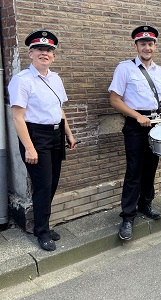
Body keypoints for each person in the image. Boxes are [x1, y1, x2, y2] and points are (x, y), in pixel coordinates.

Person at [109, 26, 161, 241]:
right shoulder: (125, 69)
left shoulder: (159, 72)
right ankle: (127, 216)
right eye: (143, 44)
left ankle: (145, 205)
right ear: (136, 46)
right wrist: (136, 116)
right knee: (134, 170)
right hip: (136, 125)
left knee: (151, 167)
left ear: (154, 47)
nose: (147, 47)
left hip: (158, 123)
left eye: (150, 44)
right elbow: (115, 100)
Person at [8, 30, 77, 251]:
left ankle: (43, 224)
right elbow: (17, 117)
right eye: (39, 49)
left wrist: (68, 132)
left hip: (56, 134)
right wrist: (29, 147)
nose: (44, 53)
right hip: (35, 136)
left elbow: (60, 109)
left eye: (48, 50)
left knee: (53, 183)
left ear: (53, 56)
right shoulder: (22, 80)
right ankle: (42, 231)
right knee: (42, 186)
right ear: (30, 53)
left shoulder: (55, 78)